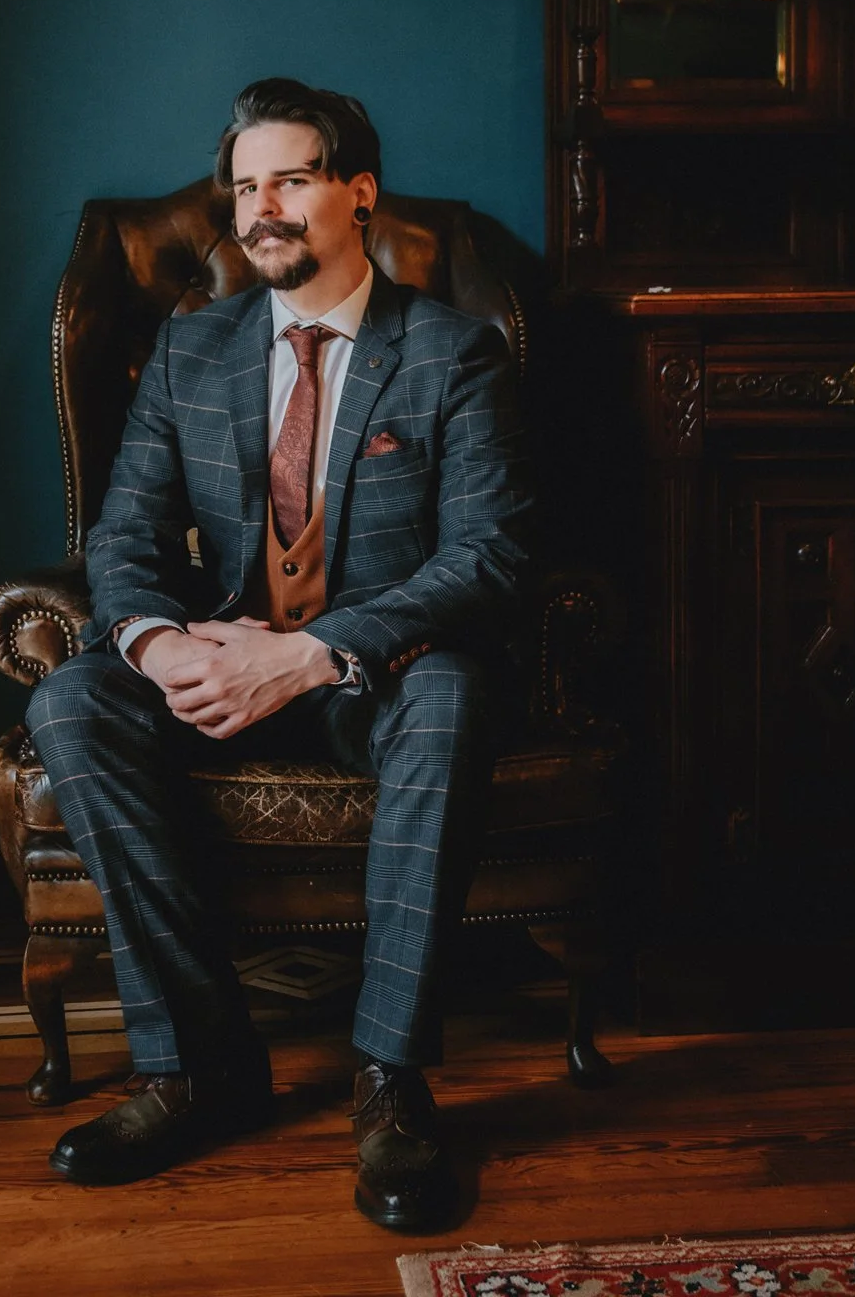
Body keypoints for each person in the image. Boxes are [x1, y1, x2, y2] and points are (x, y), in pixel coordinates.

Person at [27, 76, 531, 1230]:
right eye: (246, 187)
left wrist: (313, 654)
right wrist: (164, 648)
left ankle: (391, 1083)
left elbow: (488, 556)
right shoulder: (190, 349)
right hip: (217, 653)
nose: (261, 209)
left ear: (359, 192)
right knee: (72, 700)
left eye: (291, 179)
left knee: (455, 693)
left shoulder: (454, 351)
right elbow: (124, 539)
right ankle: (199, 1065)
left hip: (380, 675)